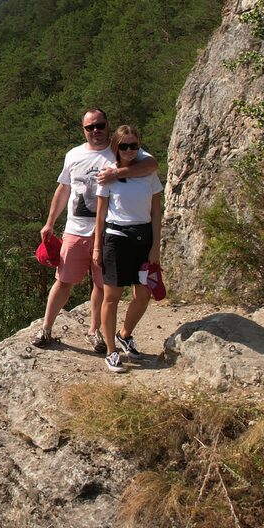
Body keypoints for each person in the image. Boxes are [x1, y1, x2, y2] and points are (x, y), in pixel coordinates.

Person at [33, 108, 156, 350]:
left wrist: (118, 172)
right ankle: (46, 328)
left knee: (101, 285)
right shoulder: (74, 155)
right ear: (84, 130)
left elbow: (151, 164)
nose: (96, 131)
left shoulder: (120, 150)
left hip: (110, 232)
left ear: (107, 125)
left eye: (100, 125)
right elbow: (63, 190)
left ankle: (94, 331)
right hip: (76, 229)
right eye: (90, 127)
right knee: (63, 281)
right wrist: (50, 222)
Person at [92, 125, 163, 373]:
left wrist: (155, 246)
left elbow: (156, 213)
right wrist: (97, 247)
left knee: (143, 295)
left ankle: (125, 334)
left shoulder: (149, 172)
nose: (130, 150)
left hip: (143, 239)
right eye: (124, 146)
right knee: (111, 298)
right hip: (116, 238)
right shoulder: (107, 175)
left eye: (134, 145)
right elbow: (100, 215)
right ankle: (111, 351)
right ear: (116, 147)